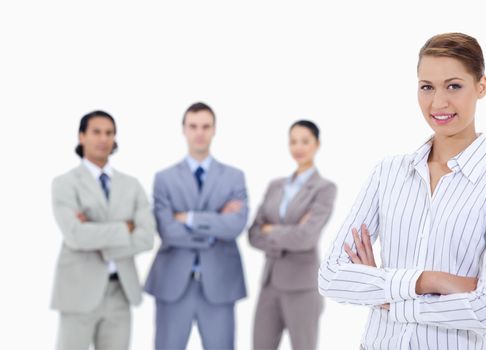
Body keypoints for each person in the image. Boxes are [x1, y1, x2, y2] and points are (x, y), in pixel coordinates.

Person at [319, 33, 486, 349]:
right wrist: (429, 280)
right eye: (427, 86)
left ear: (481, 87)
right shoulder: (387, 172)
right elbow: (331, 277)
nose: (437, 102)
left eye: (453, 86)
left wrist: (385, 295)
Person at [145, 102, 249, 350]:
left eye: (205, 126)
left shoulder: (234, 176)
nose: (199, 132)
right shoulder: (164, 178)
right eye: (193, 126)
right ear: (184, 129)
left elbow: (235, 227)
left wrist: (188, 218)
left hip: (220, 283)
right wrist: (215, 227)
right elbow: (168, 231)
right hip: (172, 284)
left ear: (214, 130)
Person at [51, 110, 155, 350]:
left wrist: (95, 232)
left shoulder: (131, 185)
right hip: (78, 292)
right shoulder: (65, 183)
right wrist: (124, 228)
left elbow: (147, 238)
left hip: (121, 291)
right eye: (96, 132)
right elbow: (75, 236)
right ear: (82, 136)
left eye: (109, 133)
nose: (103, 139)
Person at [249, 120, 337, 350]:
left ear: (317, 144)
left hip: (301, 287)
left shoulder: (324, 189)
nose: (298, 147)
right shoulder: (275, 186)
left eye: (305, 141)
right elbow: (253, 234)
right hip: (269, 283)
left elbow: (306, 237)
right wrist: (288, 233)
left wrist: (271, 230)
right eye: (293, 141)